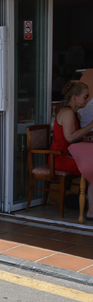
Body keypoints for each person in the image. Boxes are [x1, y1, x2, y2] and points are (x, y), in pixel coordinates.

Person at [51, 81, 93, 220]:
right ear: (75, 97)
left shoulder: (76, 114)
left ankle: (89, 207)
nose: (87, 100)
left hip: (70, 156)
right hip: (61, 158)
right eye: (85, 97)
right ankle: (90, 211)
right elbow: (70, 138)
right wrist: (91, 126)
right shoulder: (67, 112)